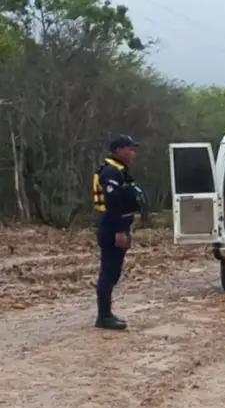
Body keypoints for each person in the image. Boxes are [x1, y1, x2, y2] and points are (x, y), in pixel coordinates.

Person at [92, 135, 141, 330]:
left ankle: (105, 314)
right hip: (111, 226)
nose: (132, 153)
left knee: (113, 271)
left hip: (118, 225)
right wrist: (120, 231)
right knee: (109, 271)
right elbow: (113, 205)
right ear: (118, 150)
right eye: (129, 149)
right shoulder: (111, 172)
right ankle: (104, 316)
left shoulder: (120, 171)